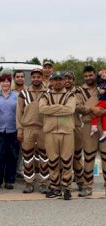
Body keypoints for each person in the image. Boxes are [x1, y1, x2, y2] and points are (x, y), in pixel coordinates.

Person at [39, 71, 75, 200]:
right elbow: (42, 109)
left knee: (66, 160)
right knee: (53, 161)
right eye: (55, 79)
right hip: (50, 131)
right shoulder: (45, 95)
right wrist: (60, 108)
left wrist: (52, 110)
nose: (58, 81)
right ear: (51, 81)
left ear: (64, 81)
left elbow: (70, 109)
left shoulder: (70, 95)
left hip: (67, 131)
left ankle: (67, 188)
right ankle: (55, 188)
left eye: (60, 79)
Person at [16, 68, 49, 194]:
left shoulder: (48, 92)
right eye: (34, 77)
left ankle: (43, 183)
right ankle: (29, 183)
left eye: (38, 77)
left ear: (41, 78)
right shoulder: (23, 93)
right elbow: (18, 113)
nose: (36, 79)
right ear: (31, 78)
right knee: (27, 156)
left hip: (43, 128)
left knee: (44, 157)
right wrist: (19, 129)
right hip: (27, 128)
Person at [76, 65, 106, 197]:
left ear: (95, 75)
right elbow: (77, 106)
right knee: (88, 156)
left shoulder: (104, 85)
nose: (88, 78)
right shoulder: (80, 90)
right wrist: (92, 109)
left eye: (91, 75)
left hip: (104, 124)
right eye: (86, 76)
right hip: (88, 125)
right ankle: (88, 187)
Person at [0, 68, 19, 189]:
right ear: (0, 83)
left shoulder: (17, 96)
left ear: (11, 83)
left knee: (12, 156)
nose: (5, 83)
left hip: (13, 131)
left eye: (8, 81)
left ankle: (10, 180)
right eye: (3, 81)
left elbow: (20, 113)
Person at [64, 71, 84, 191]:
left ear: (73, 80)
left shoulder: (79, 92)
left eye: (69, 78)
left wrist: (71, 104)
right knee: (65, 157)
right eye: (65, 78)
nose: (67, 80)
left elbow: (82, 107)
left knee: (77, 156)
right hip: (63, 126)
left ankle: (80, 180)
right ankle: (66, 182)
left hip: (76, 126)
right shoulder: (58, 91)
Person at [90, 69, 106, 142]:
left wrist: (105, 90)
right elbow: (96, 80)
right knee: (104, 117)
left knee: (95, 110)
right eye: (103, 74)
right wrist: (99, 74)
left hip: (104, 101)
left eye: (105, 73)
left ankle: (94, 127)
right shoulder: (101, 82)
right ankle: (105, 132)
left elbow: (103, 91)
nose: (104, 74)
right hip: (102, 101)